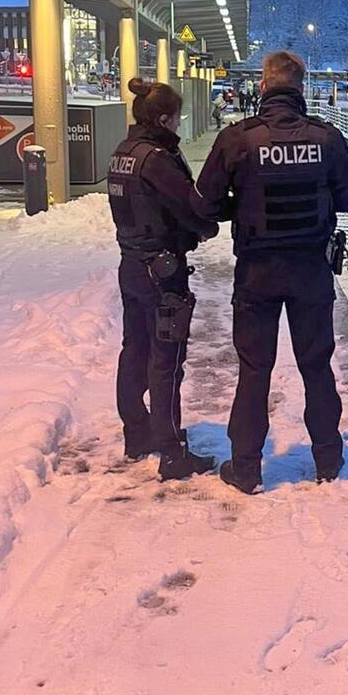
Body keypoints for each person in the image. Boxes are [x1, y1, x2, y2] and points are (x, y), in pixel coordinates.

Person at [193, 50, 348, 494]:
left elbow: (205, 203)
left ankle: (246, 468)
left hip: (257, 274)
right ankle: (328, 459)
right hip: (311, 272)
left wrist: (242, 207)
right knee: (316, 367)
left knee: (255, 369)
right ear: (301, 89)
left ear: (264, 86)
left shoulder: (238, 139)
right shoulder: (326, 139)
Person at [108, 77, 219, 481]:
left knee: (133, 350)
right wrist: (206, 227)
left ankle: (137, 435)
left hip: (132, 266)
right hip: (162, 272)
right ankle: (172, 453)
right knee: (166, 361)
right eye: (176, 118)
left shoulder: (125, 152)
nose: (177, 125)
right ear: (163, 118)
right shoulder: (157, 159)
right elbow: (192, 209)